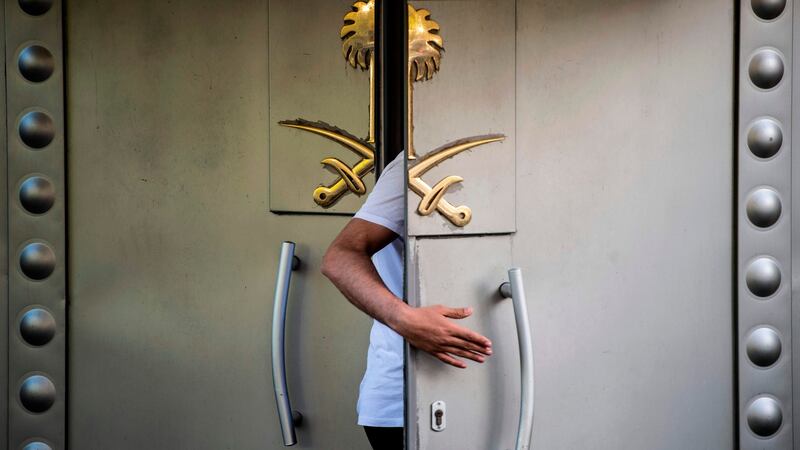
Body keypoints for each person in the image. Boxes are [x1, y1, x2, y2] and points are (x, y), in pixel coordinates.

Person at [321, 153, 493, 450]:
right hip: (405, 405)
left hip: (486, 392)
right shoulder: (415, 162)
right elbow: (340, 258)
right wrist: (405, 319)